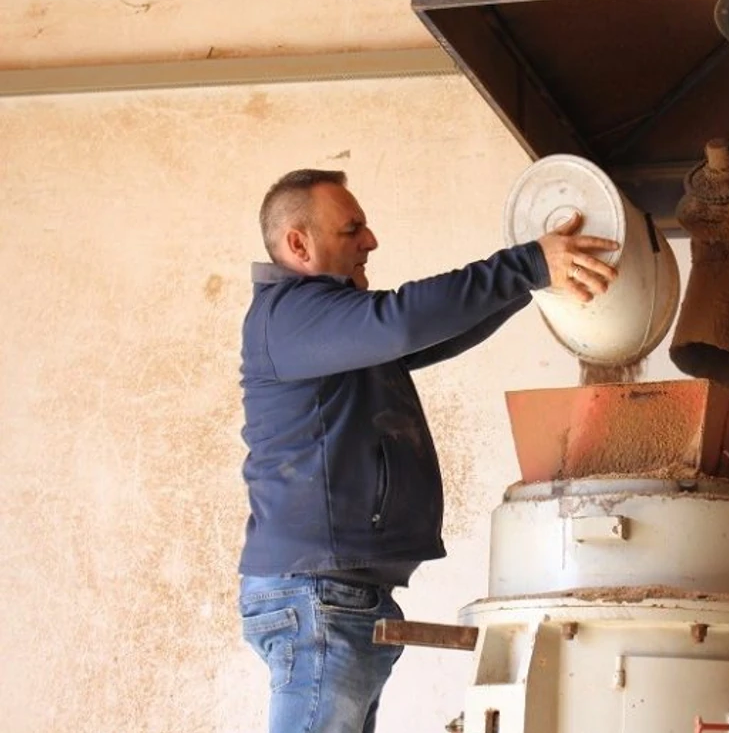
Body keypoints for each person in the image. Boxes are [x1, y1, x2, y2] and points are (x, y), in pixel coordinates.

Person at [236, 168, 618, 732]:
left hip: (334, 590)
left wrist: (533, 279)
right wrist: (527, 264)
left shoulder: (326, 328)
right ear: (299, 244)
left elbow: (432, 332)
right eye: (352, 229)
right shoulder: (291, 315)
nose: (371, 241)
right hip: (317, 590)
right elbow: (402, 322)